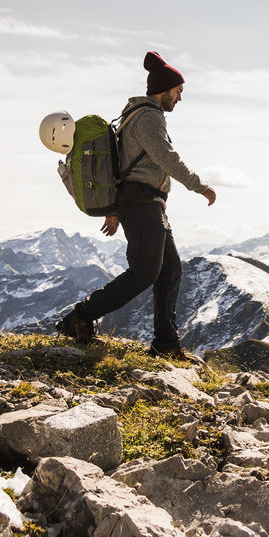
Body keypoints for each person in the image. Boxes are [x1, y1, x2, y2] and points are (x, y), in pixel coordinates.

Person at [56, 51, 217, 360]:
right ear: (164, 89)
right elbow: (165, 157)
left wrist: (121, 208)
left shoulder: (135, 115)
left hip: (146, 202)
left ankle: (166, 344)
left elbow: (125, 165)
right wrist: (199, 185)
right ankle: (79, 318)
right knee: (145, 272)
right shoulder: (148, 116)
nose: (179, 98)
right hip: (141, 202)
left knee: (170, 270)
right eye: (178, 91)